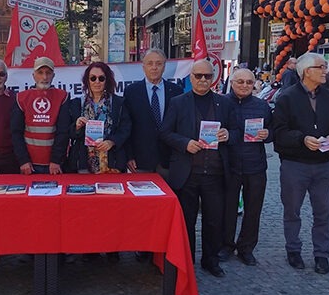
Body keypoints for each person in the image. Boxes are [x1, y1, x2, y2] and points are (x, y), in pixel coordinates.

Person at [160, 59, 238, 278]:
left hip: (215, 173)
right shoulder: (178, 102)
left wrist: (228, 135)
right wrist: (185, 143)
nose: (203, 80)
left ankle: (210, 261)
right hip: (187, 173)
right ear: (191, 77)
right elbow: (165, 133)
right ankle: (186, 261)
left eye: (207, 76)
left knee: (214, 221)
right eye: (198, 76)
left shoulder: (225, 103)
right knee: (186, 221)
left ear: (213, 78)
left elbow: (236, 131)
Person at [272, 52, 329, 274]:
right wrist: (302, 139)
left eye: (325, 67)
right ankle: (293, 250)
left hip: (323, 164)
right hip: (295, 164)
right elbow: (279, 133)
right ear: (306, 72)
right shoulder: (287, 97)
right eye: (321, 67)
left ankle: (322, 254)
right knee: (292, 210)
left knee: (323, 211)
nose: (325, 71)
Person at [218, 68, 273, 266]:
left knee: (253, 210)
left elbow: (273, 129)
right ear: (231, 82)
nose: (244, 85)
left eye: (249, 82)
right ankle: (226, 245)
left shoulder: (262, 106)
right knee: (227, 208)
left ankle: (246, 248)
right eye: (240, 81)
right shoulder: (222, 103)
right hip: (229, 164)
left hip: (255, 165)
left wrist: (268, 134)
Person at [57, 62, 131, 174]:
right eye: (93, 78)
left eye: (101, 78)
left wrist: (112, 141)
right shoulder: (76, 104)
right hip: (83, 162)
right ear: (87, 80)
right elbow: (68, 132)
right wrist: (77, 126)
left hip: (112, 162)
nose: (97, 82)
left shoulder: (118, 103)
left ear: (107, 80)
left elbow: (125, 128)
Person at [124, 48, 180, 177]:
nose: (154, 67)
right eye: (150, 63)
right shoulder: (131, 92)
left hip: (169, 159)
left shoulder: (176, 91)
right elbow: (127, 126)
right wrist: (129, 156)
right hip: (140, 160)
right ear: (143, 67)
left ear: (164, 67)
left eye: (158, 63)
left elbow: (179, 125)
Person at [11, 57, 69, 175]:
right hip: (29, 165)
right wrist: (23, 160)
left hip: (54, 165)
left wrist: (56, 160)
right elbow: (16, 132)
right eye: (40, 72)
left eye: (48, 73)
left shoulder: (62, 97)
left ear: (53, 75)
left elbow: (63, 132)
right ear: (33, 75)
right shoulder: (21, 98)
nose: (44, 77)